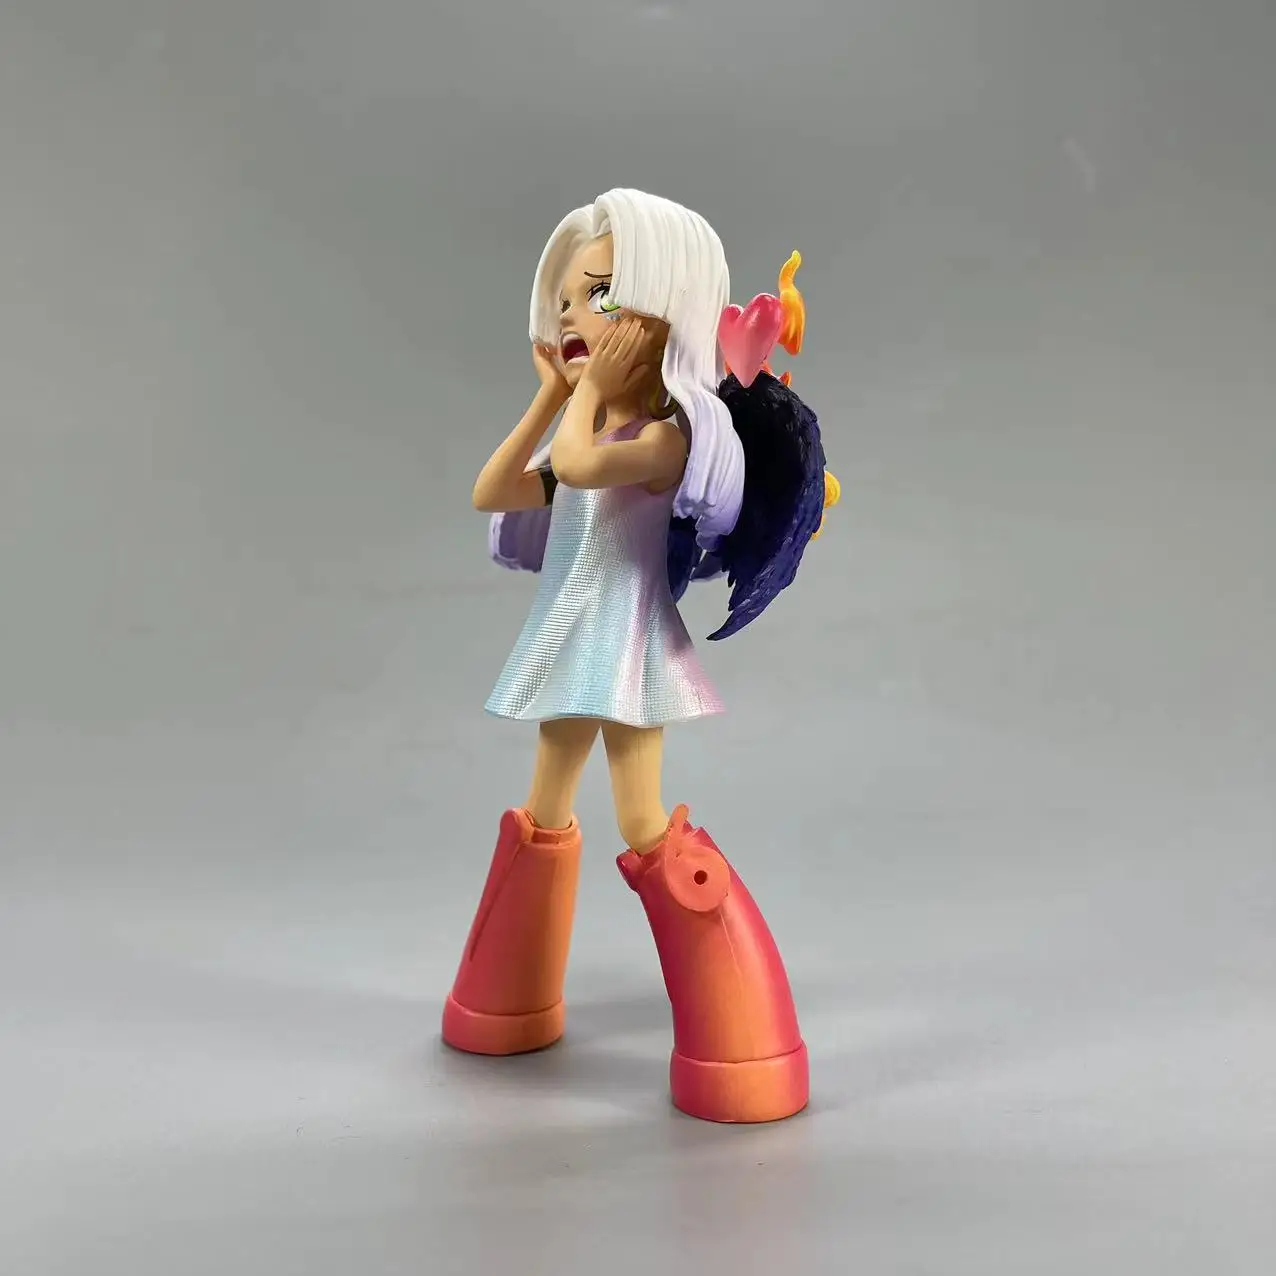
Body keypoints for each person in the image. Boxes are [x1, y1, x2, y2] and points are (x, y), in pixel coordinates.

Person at [442, 188, 839, 1123]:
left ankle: (742, 1042)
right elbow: (494, 489)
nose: (574, 318)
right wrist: (552, 393)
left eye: (600, 294)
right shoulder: (590, 422)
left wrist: (578, 397)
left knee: (641, 818)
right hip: (571, 636)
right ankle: (506, 1002)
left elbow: (580, 468)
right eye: (566, 300)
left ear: (664, 307)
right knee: (544, 807)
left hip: (626, 643)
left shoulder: (665, 438)